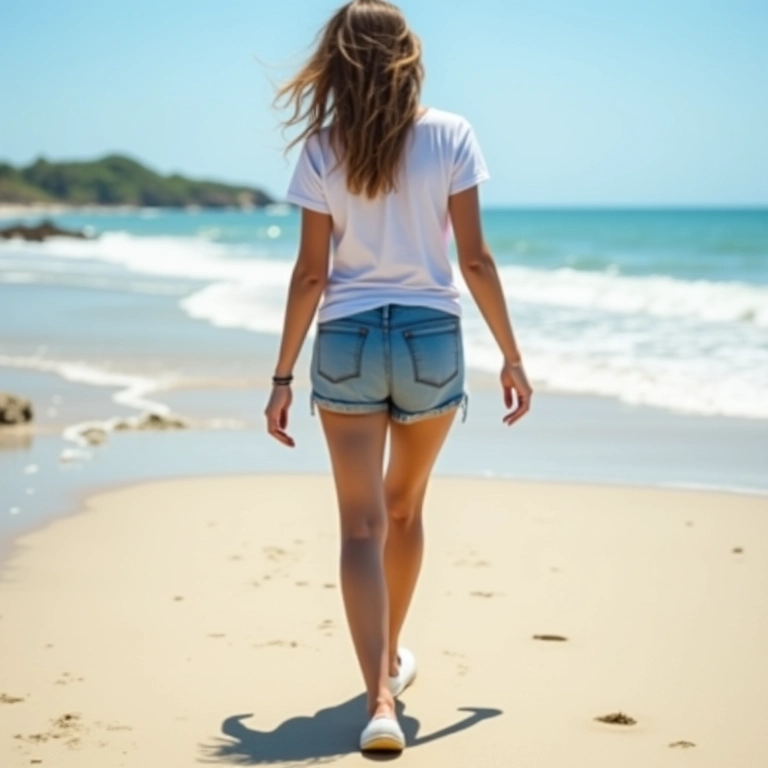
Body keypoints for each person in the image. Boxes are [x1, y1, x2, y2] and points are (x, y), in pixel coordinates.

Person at [265, 0, 532, 753]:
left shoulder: (322, 148)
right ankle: (387, 666)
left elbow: (311, 274)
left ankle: (380, 694)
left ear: (337, 60)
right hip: (430, 339)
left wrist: (282, 376)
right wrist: (512, 356)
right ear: (408, 54)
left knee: (359, 525)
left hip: (347, 338)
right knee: (404, 511)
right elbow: (474, 259)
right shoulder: (452, 134)